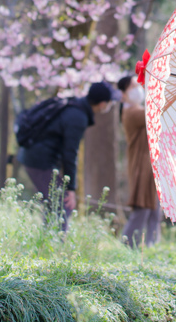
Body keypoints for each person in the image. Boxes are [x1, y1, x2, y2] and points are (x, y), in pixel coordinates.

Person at [18, 81, 114, 225]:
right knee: (63, 205)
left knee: (56, 204)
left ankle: (48, 241)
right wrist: (70, 188)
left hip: (33, 155)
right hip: (39, 160)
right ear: (102, 104)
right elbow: (70, 154)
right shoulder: (78, 116)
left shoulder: (74, 105)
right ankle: (53, 244)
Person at [117, 73, 161, 247]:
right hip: (141, 165)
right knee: (143, 206)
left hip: (148, 164)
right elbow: (154, 112)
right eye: (133, 87)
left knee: (152, 207)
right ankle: (128, 244)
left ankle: (151, 244)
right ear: (123, 94)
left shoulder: (134, 110)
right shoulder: (132, 113)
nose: (138, 90)